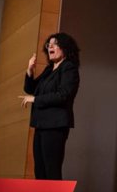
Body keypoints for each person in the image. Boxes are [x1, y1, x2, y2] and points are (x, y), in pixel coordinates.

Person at [19, 32, 80, 180]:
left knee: (51, 170)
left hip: (55, 126)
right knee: (39, 170)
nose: (50, 46)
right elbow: (31, 89)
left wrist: (35, 99)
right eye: (49, 44)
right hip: (41, 125)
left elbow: (63, 95)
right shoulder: (48, 70)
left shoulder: (69, 68)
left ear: (65, 48)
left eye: (55, 44)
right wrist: (30, 70)